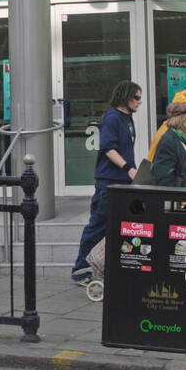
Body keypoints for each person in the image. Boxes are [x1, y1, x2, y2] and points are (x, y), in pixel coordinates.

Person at [71, 80, 140, 285]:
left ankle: (111, 266)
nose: (140, 102)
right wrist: (129, 169)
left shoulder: (127, 118)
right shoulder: (112, 118)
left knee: (118, 227)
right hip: (109, 183)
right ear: (125, 97)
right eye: (136, 97)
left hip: (122, 182)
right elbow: (109, 148)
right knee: (97, 226)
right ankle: (80, 270)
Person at [151, 99, 186, 188]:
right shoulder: (169, 142)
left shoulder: (184, 141)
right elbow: (164, 181)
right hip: (183, 200)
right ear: (184, 121)